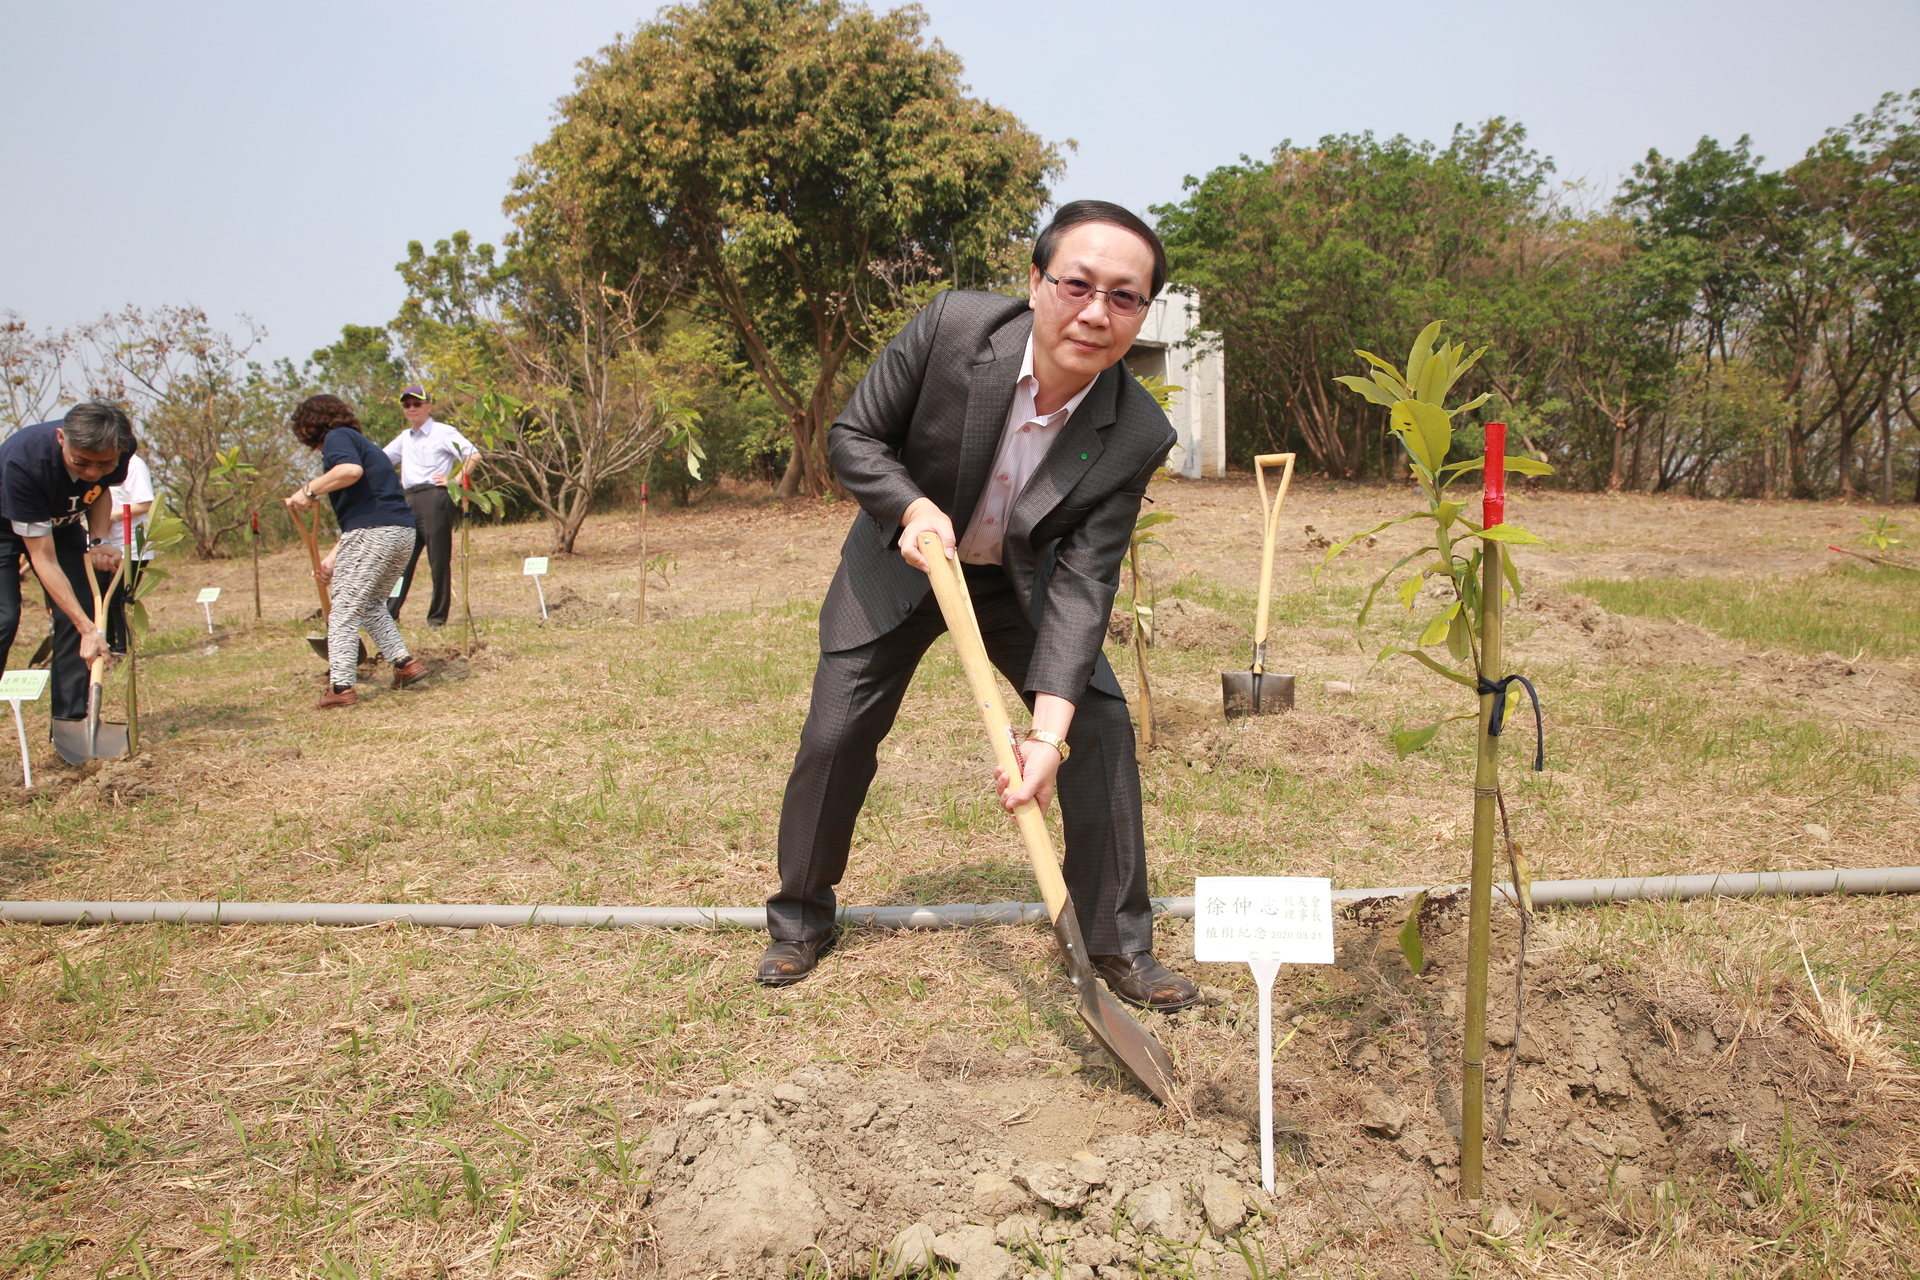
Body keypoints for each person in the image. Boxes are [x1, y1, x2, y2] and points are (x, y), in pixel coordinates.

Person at [760, 200, 1197, 1011]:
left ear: (1142, 312)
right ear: (1037, 282)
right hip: (902, 560)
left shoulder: (1136, 431)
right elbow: (855, 437)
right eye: (1078, 284)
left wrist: (1047, 736)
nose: (1097, 312)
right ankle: (799, 919)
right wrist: (907, 506)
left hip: (1012, 583)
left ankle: (1116, 943)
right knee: (836, 732)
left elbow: (1086, 579)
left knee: (1095, 724)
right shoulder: (956, 329)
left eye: (1125, 297)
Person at [285, 394, 426, 708]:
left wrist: (308, 489)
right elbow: (364, 514)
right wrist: (332, 560)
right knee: (372, 604)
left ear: (311, 428)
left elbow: (349, 471)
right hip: (400, 532)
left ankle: (341, 688)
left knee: (344, 612)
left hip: (374, 535)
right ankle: (404, 664)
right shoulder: (363, 443)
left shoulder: (337, 438)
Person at [0, 401, 133, 729]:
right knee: (4, 616)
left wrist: (99, 540)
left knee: (82, 609)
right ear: (61, 438)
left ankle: (71, 720)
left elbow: (99, 490)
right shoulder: (25, 461)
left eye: (103, 464)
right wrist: (88, 630)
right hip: (5, 526)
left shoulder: (117, 448)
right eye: (81, 463)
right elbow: (42, 559)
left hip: (61, 526)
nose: (91, 472)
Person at [383, 385, 480, 629]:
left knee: (438, 561)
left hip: (435, 498)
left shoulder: (442, 432)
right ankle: (389, 614)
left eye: (417, 404)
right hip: (409, 499)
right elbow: (381, 459)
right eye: (407, 405)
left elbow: (473, 455)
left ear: (428, 405)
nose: (412, 409)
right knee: (401, 559)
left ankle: (437, 618)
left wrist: (455, 482)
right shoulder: (405, 437)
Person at [99, 449, 154, 655]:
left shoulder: (134, 464)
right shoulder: (96, 464)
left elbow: (144, 503)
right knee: (103, 599)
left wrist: (111, 516)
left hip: (130, 545)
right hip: (103, 543)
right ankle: (108, 647)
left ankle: (124, 651)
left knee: (118, 600)